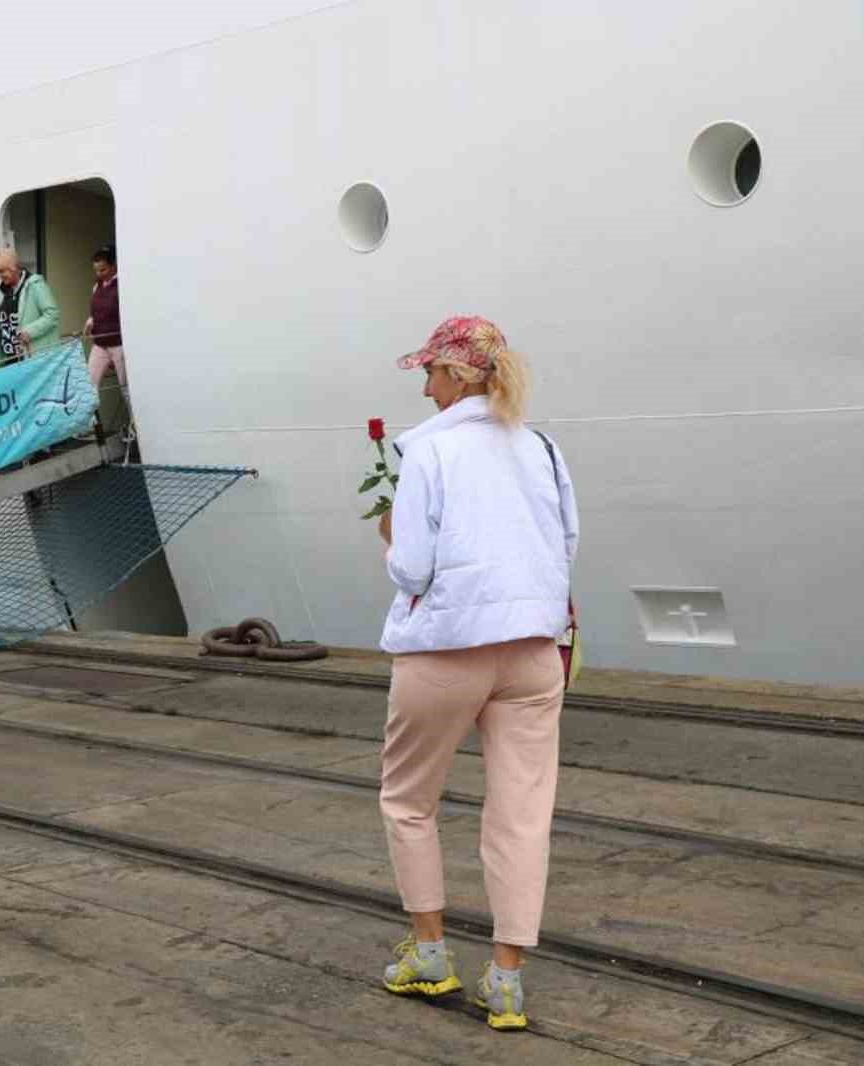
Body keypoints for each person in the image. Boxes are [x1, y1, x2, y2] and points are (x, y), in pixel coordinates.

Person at [373, 316, 577, 1032]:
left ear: (459, 376)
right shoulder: (543, 447)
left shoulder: (431, 452)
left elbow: (413, 569)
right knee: (522, 813)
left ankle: (430, 956)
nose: (425, 387)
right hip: (531, 651)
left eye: (430, 372)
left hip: (448, 647)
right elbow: (566, 542)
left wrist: (389, 538)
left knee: (409, 800)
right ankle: (507, 983)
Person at [0, 249, 59, 361]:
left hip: (32, 359)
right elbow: (15, 323)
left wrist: (30, 332)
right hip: (9, 361)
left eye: (2, 271)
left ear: (13, 268)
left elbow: (52, 315)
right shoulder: (7, 291)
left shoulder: (35, 285)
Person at [84, 246, 126, 395]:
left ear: (113, 266)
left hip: (119, 344)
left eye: (103, 270)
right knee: (88, 385)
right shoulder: (97, 285)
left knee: (125, 388)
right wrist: (91, 321)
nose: (99, 274)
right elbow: (96, 311)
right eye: (96, 270)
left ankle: (133, 418)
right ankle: (90, 418)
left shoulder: (123, 285)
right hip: (100, 344)